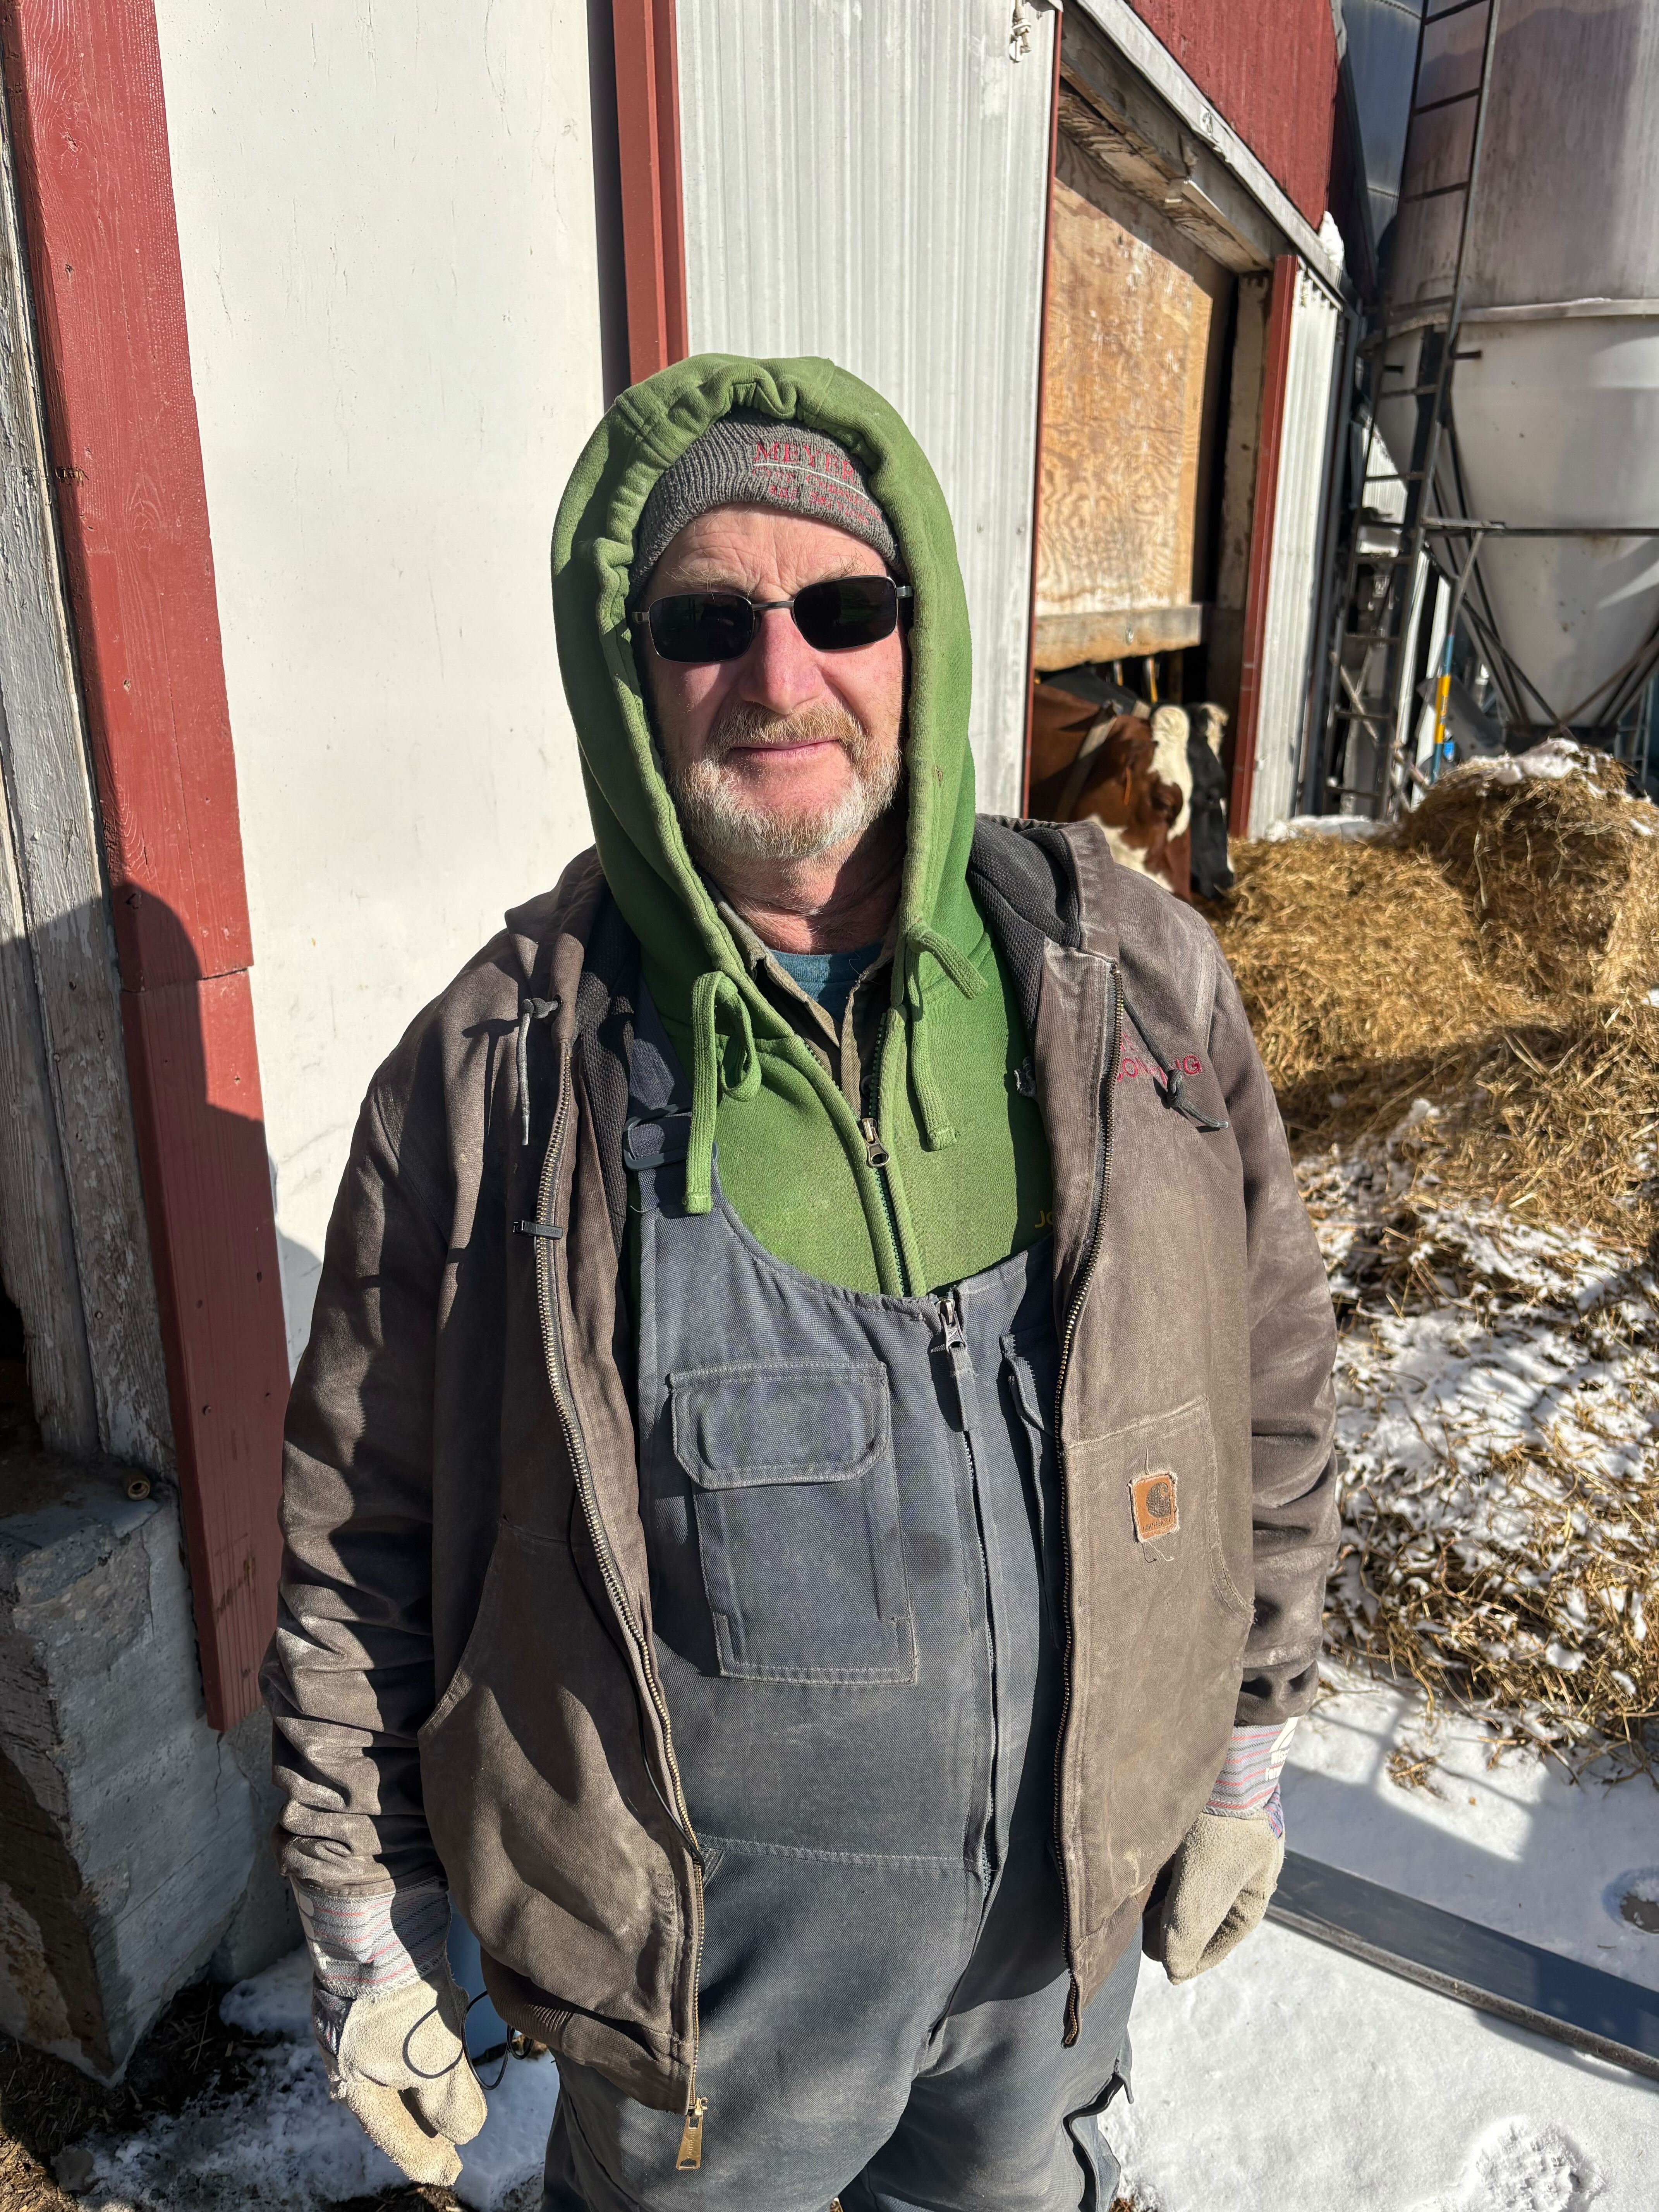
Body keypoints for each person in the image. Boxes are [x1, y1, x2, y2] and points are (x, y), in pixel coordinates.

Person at [266, 355, 1339, 2212]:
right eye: (706, 621)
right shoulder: (494, 1079)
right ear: (631, 674)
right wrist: (360, 1912)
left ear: (913, 637)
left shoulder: (1134, 986)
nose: (782, 675)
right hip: (701, 2021)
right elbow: (366, 1519)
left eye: (842, 606)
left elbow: (1265, 1376)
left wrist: (1246, 1732)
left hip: (1049, 1957)